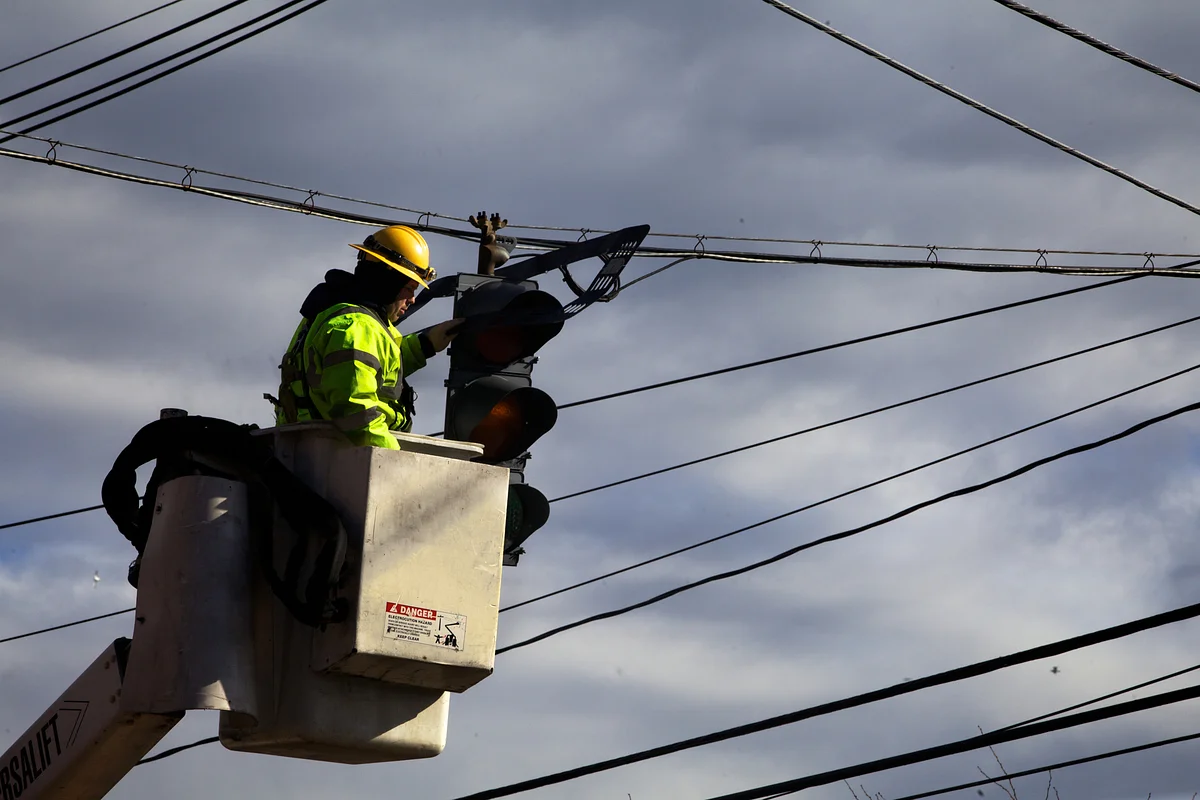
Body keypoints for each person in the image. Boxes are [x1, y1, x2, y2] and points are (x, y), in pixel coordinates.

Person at [270, 225, 462, 449]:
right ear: (389, 282)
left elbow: (373, 366)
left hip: (319, 450)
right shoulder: (356, 328)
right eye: (409, 288)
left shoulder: (344, 311)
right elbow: (355, 411)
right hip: (337, 457)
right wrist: (397, 461)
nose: (412, 299)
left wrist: (425, 345)